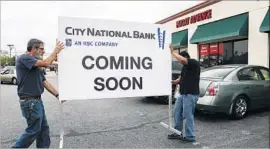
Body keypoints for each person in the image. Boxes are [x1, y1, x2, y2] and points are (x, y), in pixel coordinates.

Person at [12, 39, 65, 148]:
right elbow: (46, 63)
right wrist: (56, 50)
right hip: (29, 102)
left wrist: (58, 95)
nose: (43, 51)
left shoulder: (36, 65)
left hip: (37, 101)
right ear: (33, 48)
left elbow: (44, 82)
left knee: (43, 129)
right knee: (34, 130)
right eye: (41, 49)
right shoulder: (24, 58)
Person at [168, 44, 200, 143]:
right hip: (182, 94)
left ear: (186, 57)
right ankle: (177, 132)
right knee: (177, 112)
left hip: (190, 94)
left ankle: (190, 136)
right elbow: (181, 78)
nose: (180, 62)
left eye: (181, 59)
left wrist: (172, 52)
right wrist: (175, 81)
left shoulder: (194, 63)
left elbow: (182, 60)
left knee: (187, 115)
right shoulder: (184, 67)